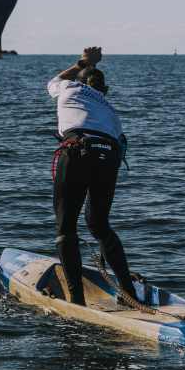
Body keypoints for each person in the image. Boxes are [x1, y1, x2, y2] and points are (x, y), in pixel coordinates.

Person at [46, 46, 136, 306]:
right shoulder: (110, 109)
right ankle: (129, 293)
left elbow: (54, 81)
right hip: (109, 155)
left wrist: (82, 61)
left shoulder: (68, 88)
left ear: (79, 81)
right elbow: (121, 145)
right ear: (104, 90)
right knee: (99, 225)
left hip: (77, 151)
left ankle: (77, 301)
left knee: (66, 228)